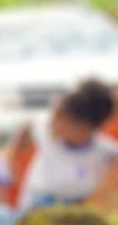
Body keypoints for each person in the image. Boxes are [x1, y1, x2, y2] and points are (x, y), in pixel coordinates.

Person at [18, 79, 118, 210]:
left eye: (59, 118)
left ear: (83, 126)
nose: (52, 123)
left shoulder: (106, 151)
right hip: (37, 207)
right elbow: (25, 132)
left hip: (78, 212)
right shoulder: (44, 134)